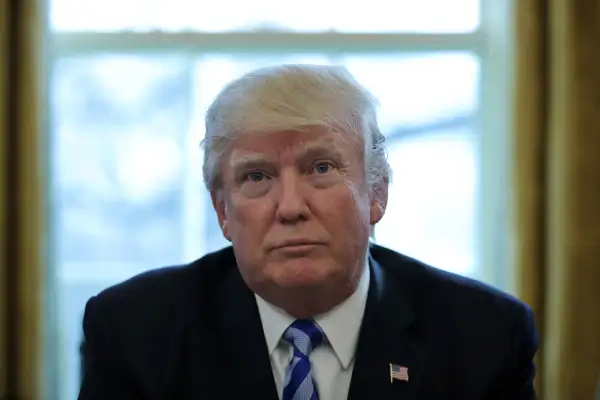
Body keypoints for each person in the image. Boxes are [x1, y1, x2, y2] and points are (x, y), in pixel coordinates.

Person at [78, 64, 538, 400]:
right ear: (222, 211)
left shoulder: (485, 334)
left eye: (321, 168)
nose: (291, 207)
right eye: (256, 177)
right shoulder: (134, 331)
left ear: (376, 192)